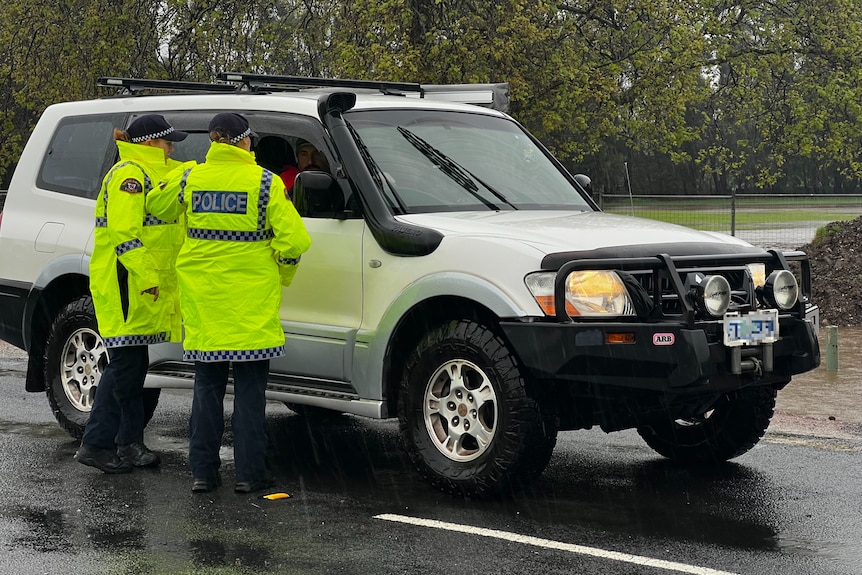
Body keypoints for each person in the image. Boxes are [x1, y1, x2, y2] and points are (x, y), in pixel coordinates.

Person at [147, 112, 311, 494]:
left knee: (207, 390)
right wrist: (282, 273)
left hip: (205, 304)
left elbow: (157, 205)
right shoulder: (266, 183)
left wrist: (178, 171)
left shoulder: (190, 178)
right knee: (250, 395)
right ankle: (250, 473)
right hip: (251, 305)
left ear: (213, 141)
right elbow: (295, 243)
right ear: (242, 142)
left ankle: (203, 472)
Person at [75, 114, 188, 474]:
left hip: (138, 283)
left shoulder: (152, 173)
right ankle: (96, 444)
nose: (172, 147)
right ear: (150, 143)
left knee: (134, 363)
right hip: (128, 282)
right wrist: (149, 276)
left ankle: (129, 442)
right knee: (124, 364)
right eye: (168, 141)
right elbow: (126, 234)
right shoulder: (129, 175)